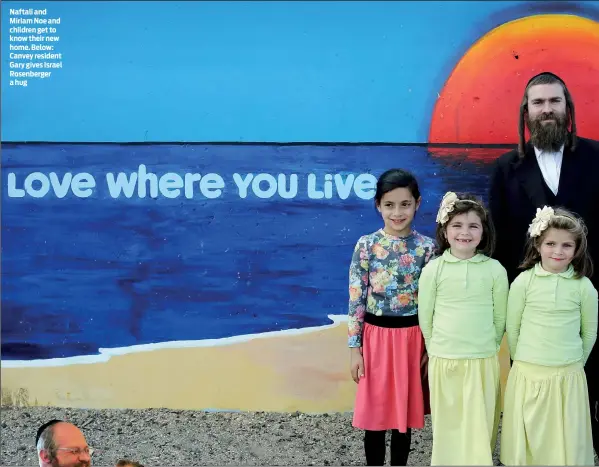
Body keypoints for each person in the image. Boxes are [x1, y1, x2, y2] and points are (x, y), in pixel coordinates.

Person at [488, 71, 599, 452]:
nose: (547, 109)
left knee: (591, 383)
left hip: (588, 293)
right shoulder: (505, 169)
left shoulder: (597, 156)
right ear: (526, 111)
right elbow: (497, 239)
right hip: (532, 303)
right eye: (539, 102)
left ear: (568, 108)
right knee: (533, 387)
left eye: (555, 101)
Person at [348, 168, 436, 466]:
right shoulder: (366, 245)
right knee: (374, 412)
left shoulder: (427, 248)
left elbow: (431, 301)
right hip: (375, 338)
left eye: (405, 204)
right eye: (389, 205)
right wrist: (354, 349)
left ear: (418, 203)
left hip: (412, 339)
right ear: (378, 205)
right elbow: (356, 298)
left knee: (403, 413)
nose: (397, 212)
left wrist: (429, 345)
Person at [500, 206, 598, 465]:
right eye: (551, 243)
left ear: (577, 249)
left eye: (567, 245)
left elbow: (589, 332)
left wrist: (575, 363)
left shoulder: (583, 287)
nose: (558, 251)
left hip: (567, 374)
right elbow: (514, 327)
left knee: (564, 437)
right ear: (538, 245)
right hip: (529, 371)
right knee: (531, 434)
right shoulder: (523, 282)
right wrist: (522, 361)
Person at [418, 192, 509, 465]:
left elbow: (500, 317)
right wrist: (435, 348)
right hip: (445, 358)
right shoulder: (434, 270)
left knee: (481, 420)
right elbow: (426, 316)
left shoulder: (495, 270)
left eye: (473, 226)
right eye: (457, 225)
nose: (465, 233)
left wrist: (489, 346)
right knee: (449, 420)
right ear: (445, 230)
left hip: (482, 358)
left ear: (484, 231)